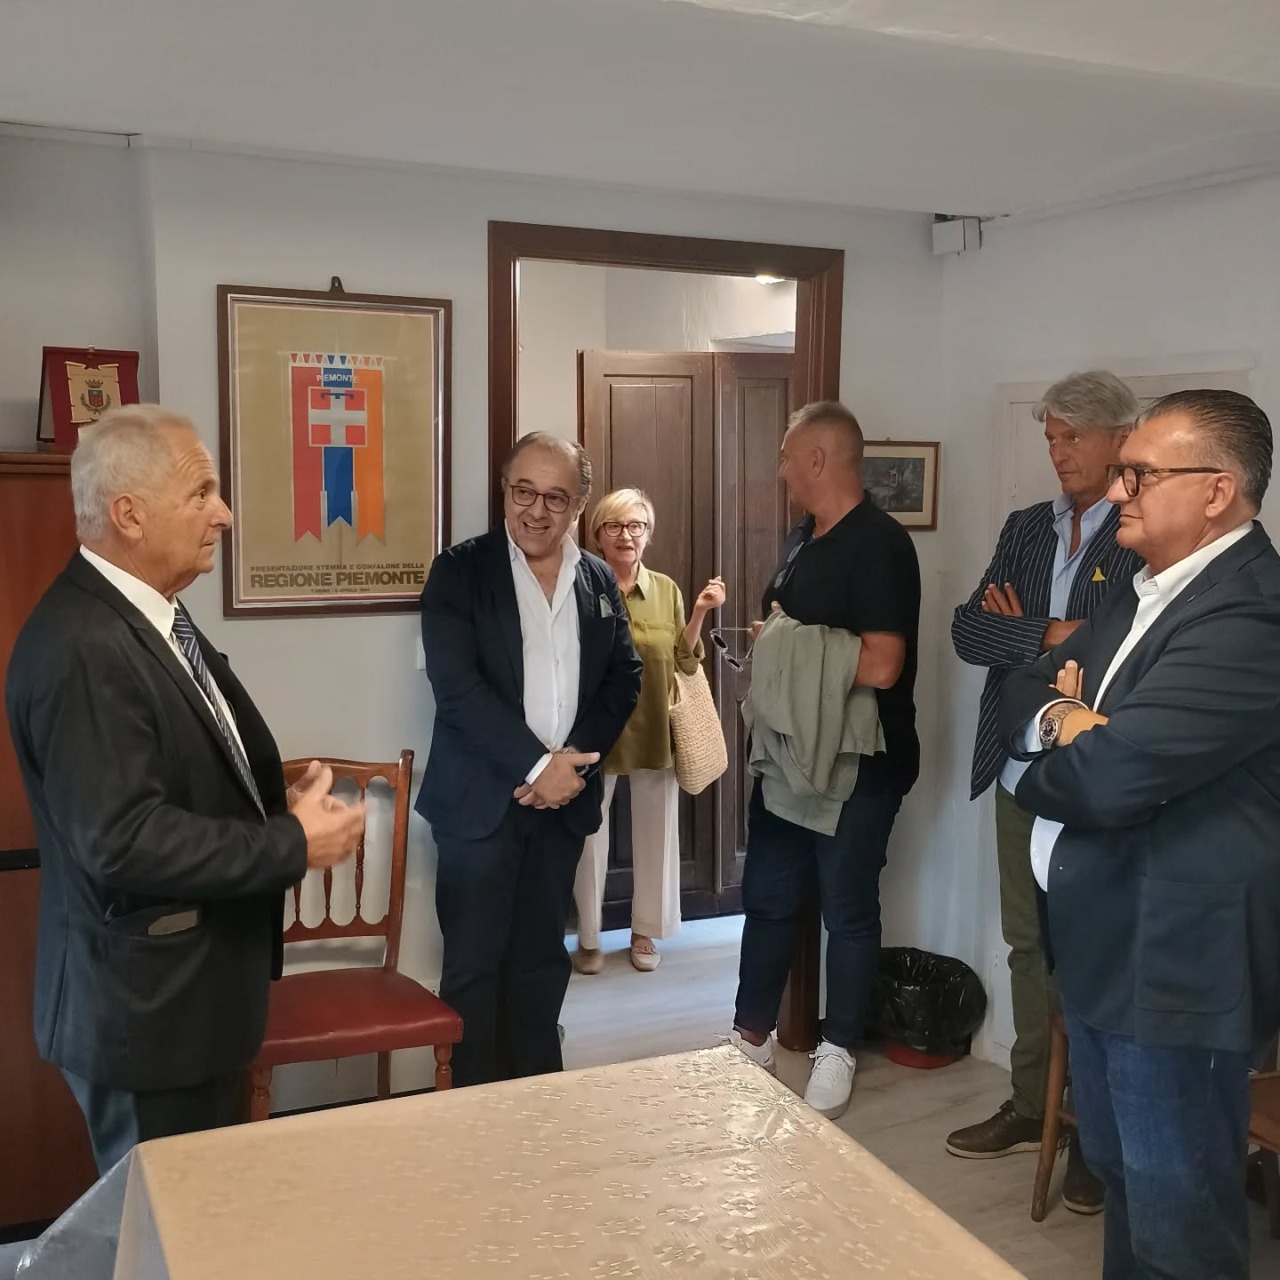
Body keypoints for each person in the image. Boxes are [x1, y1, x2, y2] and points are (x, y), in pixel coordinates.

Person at [4, 405, 364, 1174]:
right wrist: (291, 842)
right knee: (166, 1226)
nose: (223, 514)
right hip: (147, 1021)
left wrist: (274, 807)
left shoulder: (149, 615)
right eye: (201, 492)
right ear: (129, 514)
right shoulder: (86, 646)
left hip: (188, 1007)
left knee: (202, 1217)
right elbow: (122, 839)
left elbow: (178, 776)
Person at [999, 389, 1280, 1279]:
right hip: (1105, 946)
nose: (1118, 490)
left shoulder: (1251, 615)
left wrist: (1062, 753)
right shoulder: (1146, 590)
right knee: (1125, 1184)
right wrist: (1066, 722)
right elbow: (1020, 687)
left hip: (1175, 967)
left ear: (1217, 491)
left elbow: (1112, 778)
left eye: (1141, 474)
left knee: (1179, 1223)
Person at [947, 370, 1141, 1211]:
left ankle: (1093, 1133)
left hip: (1091, 776)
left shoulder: (1140, 529)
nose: (1058, 453)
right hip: (1017, 769)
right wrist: (1051, 634)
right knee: (1026, 947)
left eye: (1073, 437)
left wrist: (1030, 633)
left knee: (1091, 954)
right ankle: (1034, 1107)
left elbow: (1120, 651)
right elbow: (968, 629)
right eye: (1051, 438)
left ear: (1119, 439)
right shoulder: (1029, 526)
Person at [416, 432, 642, 1087]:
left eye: (555, 498)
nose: (536, 511)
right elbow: (457, 688)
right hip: (479, 808)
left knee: (542, 964)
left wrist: (571, 767)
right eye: (524, 492)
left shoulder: (596, 577)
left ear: (579, 505)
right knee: (473, 970)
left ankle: (539, 1109)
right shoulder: (459, 571)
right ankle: (473, 1120)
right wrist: (538, 767)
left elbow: (623, 675)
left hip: (561, 808)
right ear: (504, 491)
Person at [729, 400, 920, 1120]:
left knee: (848, 910)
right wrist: (777, 640)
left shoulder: (881, 546)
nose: (781, 471)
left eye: (786, 457)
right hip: (787, 757)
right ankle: (750, 1036)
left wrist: (783, 644)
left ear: (817, 459)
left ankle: (838, 1047)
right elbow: (790, 628)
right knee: (768, 898)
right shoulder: (800, 537)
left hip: (860, 765)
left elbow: (882, 665)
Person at [570, 488, 725, 975]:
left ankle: (645, 932)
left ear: (648, 535)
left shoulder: (666, 589)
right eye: (615, 526)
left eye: (636, 526)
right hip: (596, 727)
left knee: (658, 834)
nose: (626, 535)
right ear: (598, 535)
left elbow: (684, 659)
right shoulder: (580, 584)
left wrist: (699, 612)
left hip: (655, 723)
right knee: (588, 835)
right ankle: (589, 937)